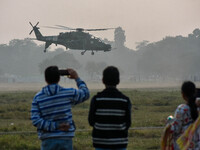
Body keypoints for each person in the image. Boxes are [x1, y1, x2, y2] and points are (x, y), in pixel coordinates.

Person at [31, 66, 90, 150]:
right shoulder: (68, 93)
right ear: (59, 78)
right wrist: (77, 78)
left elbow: (36, 120)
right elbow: (86, 93)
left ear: (45, 79)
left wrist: (55, 126)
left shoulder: (38, 97)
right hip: (65, 139)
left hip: (47, 139)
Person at [88, 66, 132, 150]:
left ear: (103, 80)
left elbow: (91, 121)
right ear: (118, 81)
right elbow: (128, 123)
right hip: (120, 143)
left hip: (100, 143)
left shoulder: (96, 99)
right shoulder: (125, 100)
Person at [164, 81, 198, 150]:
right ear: (195, 92)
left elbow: (175, 129)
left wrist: (168, 123)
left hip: (183, 146)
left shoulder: (181, 109)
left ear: (182, 94)